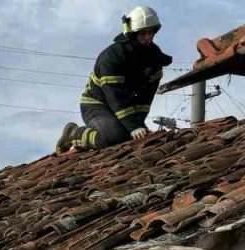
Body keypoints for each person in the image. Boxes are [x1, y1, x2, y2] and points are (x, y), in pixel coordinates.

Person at [55, 6, 172, 153]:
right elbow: (115, 96)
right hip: (96, 104)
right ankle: (73, 134)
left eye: (150, 32)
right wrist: (132, 126)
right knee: (114, 136)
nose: (148, 37)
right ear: (132, 33)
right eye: (142, 33)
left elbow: (144, 100)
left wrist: (138, 125)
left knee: (129, 136)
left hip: (121, 105)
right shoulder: (111, 58)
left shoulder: (155, 60)